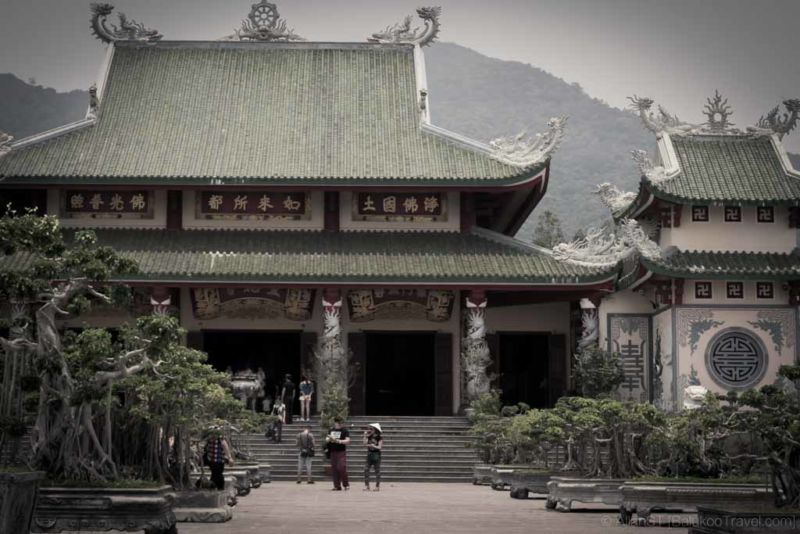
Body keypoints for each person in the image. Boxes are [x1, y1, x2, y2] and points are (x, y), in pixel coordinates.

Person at [326, 417, 351, 491]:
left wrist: (339, 441)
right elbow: (327, 439)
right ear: (335, 422)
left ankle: (346, 484)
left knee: (341, 467)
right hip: (333, 451)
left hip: (341, 452)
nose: (339, 424)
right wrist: (328, 439)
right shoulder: (331, 430)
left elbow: (348, 441)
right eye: (337, 422)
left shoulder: (344, 430)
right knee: (334, 469)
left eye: (340, 422)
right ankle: (337, 486)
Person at [363, 423, 384, 491]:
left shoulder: (379, 437)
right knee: (366, 469)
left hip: (376, 455)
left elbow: (379, 447)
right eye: (369, 429)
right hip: (369, 455)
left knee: (377, 471)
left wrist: (373, 446)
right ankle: (367, 486)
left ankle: (377, 486)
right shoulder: (369, 436)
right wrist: (365, 435)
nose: (370, 430)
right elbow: (364, 443)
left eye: (371, 429)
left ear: (375, 430)